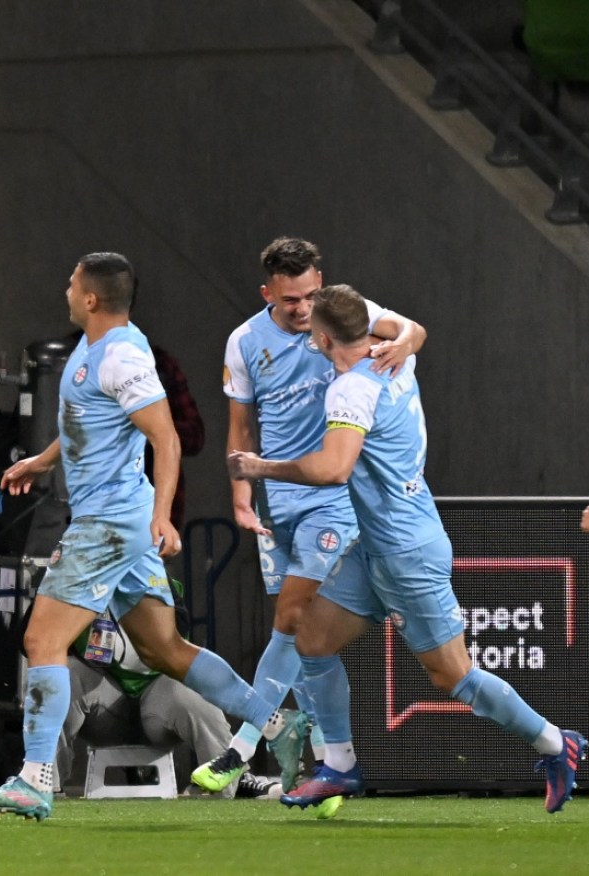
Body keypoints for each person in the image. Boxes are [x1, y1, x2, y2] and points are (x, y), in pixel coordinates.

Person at [227, 283, 585, 817]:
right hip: (376, 544)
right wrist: (409, 337)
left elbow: (332, 470)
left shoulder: (351, 390)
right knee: (312, 637)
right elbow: (409, 326)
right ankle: (340, 767)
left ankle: (558, 744)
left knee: (455, 677)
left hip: (405, 550)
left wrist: (260, 467)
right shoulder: (393, 354)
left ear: (322, 338)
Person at [0, 252, 298, 822]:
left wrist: (162, 517)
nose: (66, 288)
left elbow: (166, 439)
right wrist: (45, 461)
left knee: (42, 643)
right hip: (121, 522)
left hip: (109, 525)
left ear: (91, 298)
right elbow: (89, 424)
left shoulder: (120, 355)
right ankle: (277, 722)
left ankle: (35, 780)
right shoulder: (96, 349)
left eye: (72, 282)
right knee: (163, 648)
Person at [195, 237, 427, 794]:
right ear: (268, 292)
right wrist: (240, 490)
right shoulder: (245, 341)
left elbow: (412, 330)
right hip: (282, 497)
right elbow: (241, 421)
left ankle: (244, 744)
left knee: (294, 616)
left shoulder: (348, 316)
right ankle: (331, 758)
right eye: (291, 298)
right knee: (306, 637)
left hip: (333, 495)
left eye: (310, 295)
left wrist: (403, 344)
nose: (303, 307)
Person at [58, 616, 280, 800]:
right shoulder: (76, 581)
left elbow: (177, 640)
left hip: (156, 703)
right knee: (58, 676)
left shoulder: (153, 579)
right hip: (99, 706)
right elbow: (31, 640)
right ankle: (44, 782)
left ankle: (234, 782)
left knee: (193, 691)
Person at [146, 345, 203, 532]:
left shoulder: (157, 363)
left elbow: (195, 436)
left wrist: (151, 427)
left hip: (151, 512)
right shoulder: (70, 357)